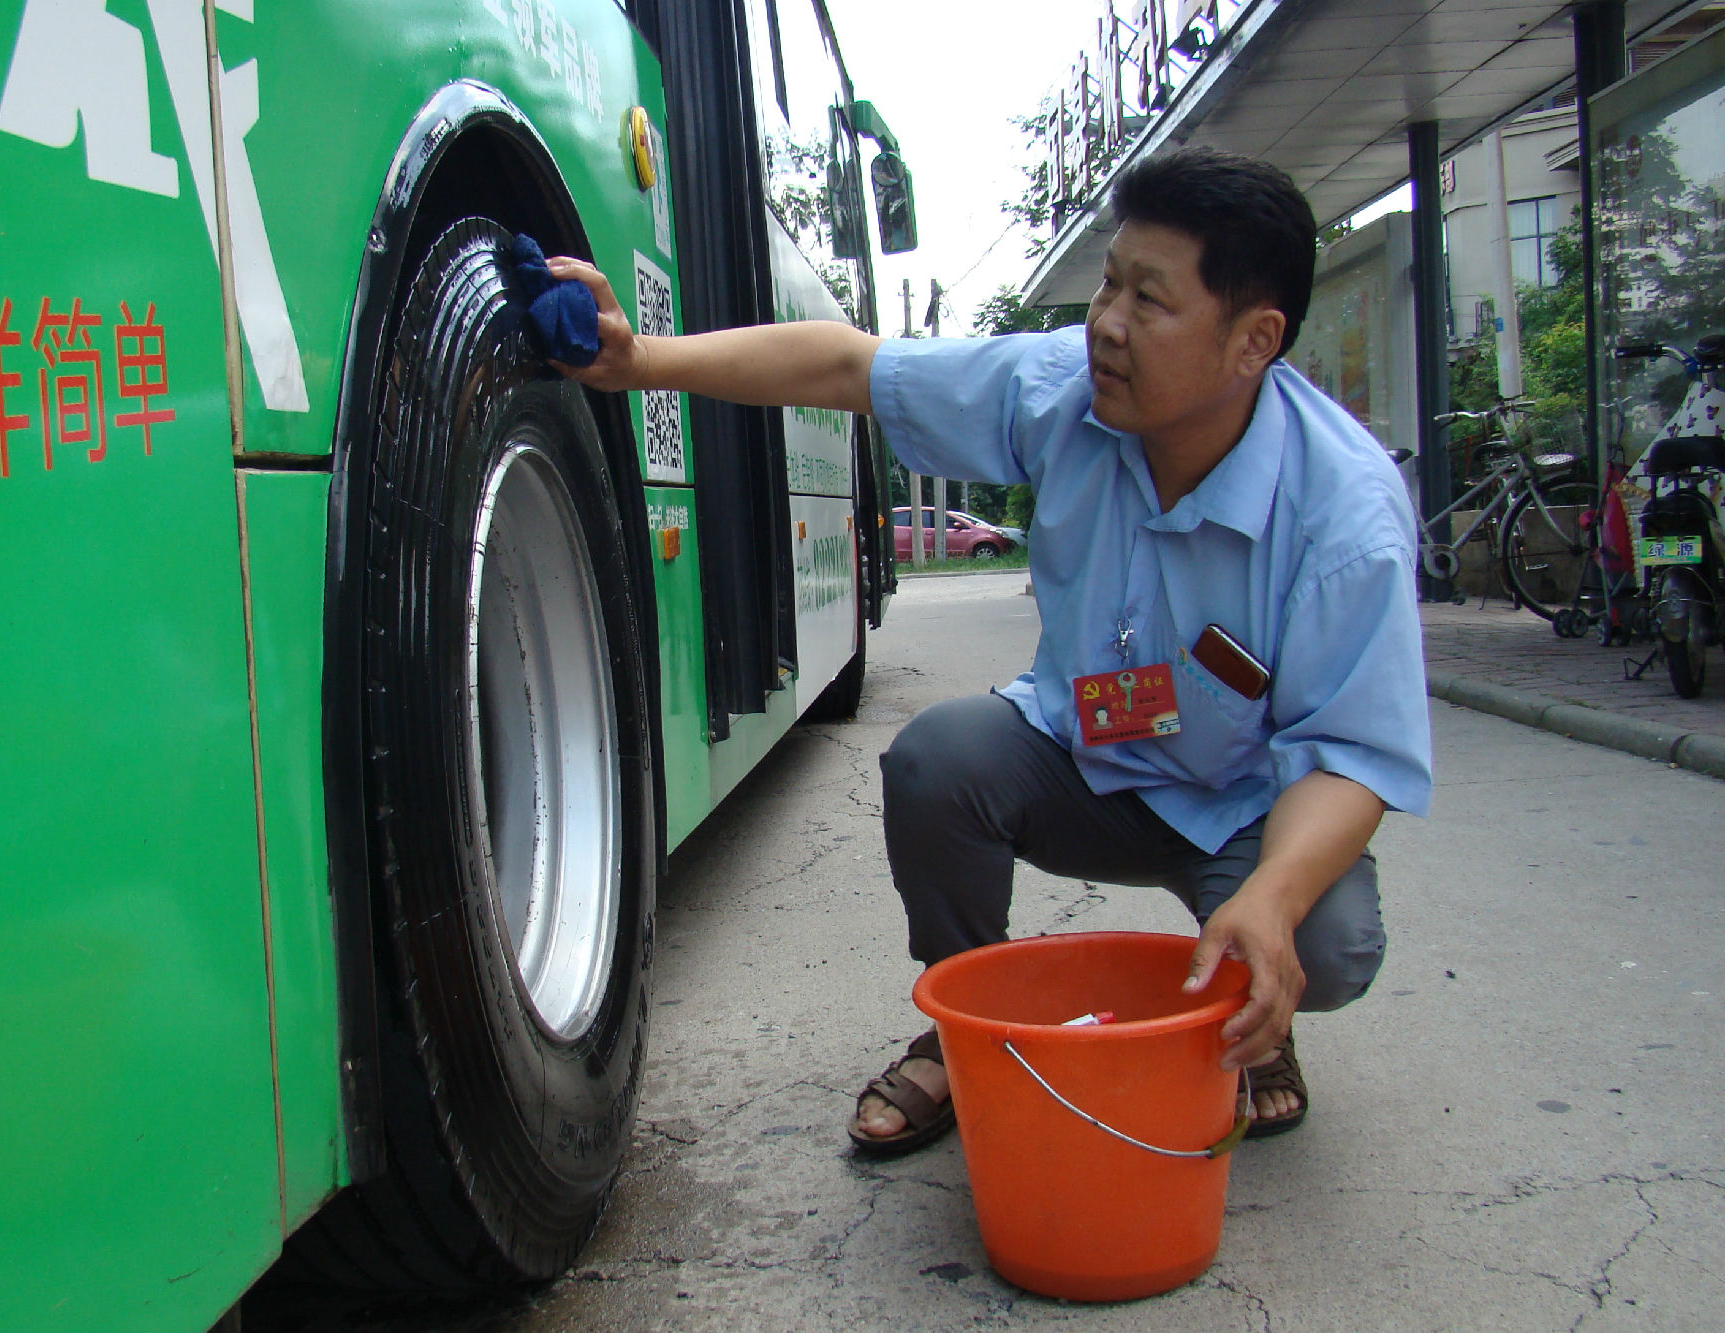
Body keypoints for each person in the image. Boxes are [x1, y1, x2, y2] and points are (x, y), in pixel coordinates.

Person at [545, 145, 1431, 1153]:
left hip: (1238, 809)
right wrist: (640, 362)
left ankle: (1248, 1011)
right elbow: (849, 365)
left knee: (1326, 937)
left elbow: (1348, 753)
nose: (1105, 323)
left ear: (1253, 341)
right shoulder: (1059, 389)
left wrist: (1270, 898)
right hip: (1081, 757)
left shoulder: (1344, 517)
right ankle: (961, 1026)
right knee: (938, 762)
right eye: (1108, 283)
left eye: (1148, 299)